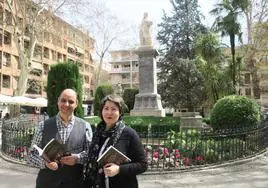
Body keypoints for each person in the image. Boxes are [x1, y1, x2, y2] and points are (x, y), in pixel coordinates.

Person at [28, 88, 93, 188]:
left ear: (76, 104)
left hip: (75, 183)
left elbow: (91, 155)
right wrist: (45, 163)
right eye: (63, 100)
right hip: (47, 183)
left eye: (70, 101)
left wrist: (77, 158)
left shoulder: (85, 127)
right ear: (58, 101)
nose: (66, 104)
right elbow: (31, 155)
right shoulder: (43, 126)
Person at [84, 94, 147, 188]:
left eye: (113, 109)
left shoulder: (129, 134)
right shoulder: (97, 133)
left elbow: (143, 165)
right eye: (106, 108)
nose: (109, 113)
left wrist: (119, 169)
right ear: (101, 111)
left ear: (120, 112)